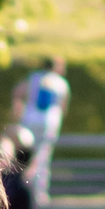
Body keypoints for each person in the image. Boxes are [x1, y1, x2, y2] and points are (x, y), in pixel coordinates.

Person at [11, 57, 71, 192]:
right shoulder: (61, 83)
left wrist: (17, 112)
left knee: (24, 157)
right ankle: (40, 192)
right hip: (49, 123)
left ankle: (23, 188)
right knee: (43, 157)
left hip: (29, 120)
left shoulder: (33, 78)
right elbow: (63, 107)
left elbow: (18, 92)